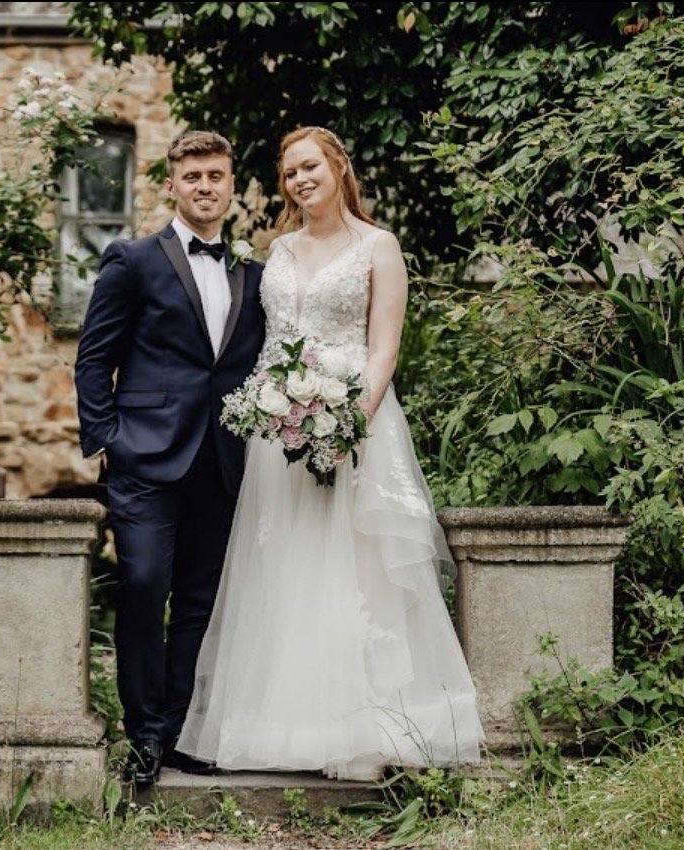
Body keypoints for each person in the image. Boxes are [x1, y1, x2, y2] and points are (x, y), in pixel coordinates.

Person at [174, 126, 483, 781]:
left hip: (356, 423)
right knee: (285, 567)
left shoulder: (380, 247)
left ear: (339, 166)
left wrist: (347, 426)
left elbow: (383, 349)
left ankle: (368, 726)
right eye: (289, 172)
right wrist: (275, 406)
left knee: (356, 570)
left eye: (309, 166)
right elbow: (265, 341)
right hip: (277, 433)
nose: (299, 180)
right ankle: (288, 728)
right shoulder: (278, 250)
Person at [74, 130, 266, 784]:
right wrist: (107, 440)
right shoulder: (132, 260)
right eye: (193, 177)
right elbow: (95, 358)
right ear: (173, 184)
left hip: (222, 458)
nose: (205, 186)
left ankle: (178, 731)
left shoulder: (251, 270)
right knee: (143, 583)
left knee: (197, 601)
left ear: (231, 185)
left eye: (216, 175)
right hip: (144, 458)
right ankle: (143, 732)